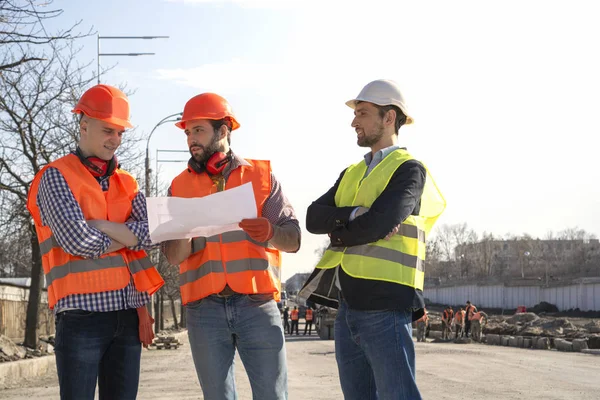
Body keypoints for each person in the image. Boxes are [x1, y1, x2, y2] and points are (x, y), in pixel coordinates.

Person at [298, 79, 446, 400]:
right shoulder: (351, 173)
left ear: (389, 117)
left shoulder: (409, 170)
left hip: (387, 308)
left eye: (362, 113)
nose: (354, 121)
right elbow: (312, 217)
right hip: (347, 308)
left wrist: (338, 230)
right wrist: (354, 215)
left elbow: (380, 223)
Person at [26, 84, 164, 400]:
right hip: (81, 318)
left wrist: (102, 225)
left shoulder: (127, 182)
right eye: (107, 130)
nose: (115, 140)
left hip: (128, 315)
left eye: (120, 133)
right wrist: (128, 235)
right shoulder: (55, 176)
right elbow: (79, 242)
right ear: (84, 125)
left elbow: (154, 234)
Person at [163, 92, 301, 400]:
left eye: (198, 130)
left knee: (272, 396)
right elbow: (173, 256)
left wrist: (269, 230)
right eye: (188, 132)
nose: (191, 139)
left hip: (257, 305)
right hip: (204, 310)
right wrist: (183, 230)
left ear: (223, 130)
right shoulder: (178, 187)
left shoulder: (260, 177)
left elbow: (293, 239)